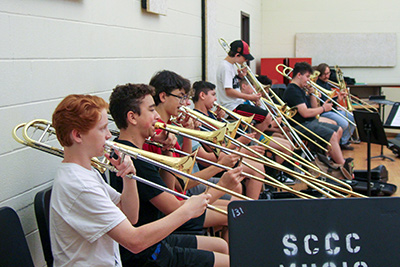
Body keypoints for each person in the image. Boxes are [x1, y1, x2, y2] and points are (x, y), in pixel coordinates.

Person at [50, 94, 225, 266]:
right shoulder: (79, 184)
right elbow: (134, 242)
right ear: (78, 135)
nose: (108, 136)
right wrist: (187, 211)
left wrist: (129, 177)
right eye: (102, 129)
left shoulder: (86, 172)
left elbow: (130, 216)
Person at [109, 83, 240, 266]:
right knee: (230, 262)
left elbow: (169, 189)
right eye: (151, 110)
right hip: (148, 253)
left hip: (156, 240)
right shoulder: (134, 158)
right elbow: (173, 207)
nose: (157, 116)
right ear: (132, 117)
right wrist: (221, 186)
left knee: (220, 246)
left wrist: (168, 151)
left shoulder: (131, 149)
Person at [282, 62, 353, 173]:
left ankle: (328, 160)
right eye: (307, 77)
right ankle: (343, 167)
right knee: (332, 135)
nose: (309, 80)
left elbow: (314, 110)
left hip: (309, 122)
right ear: (299, 75)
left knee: (338, 129)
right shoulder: (292, 90)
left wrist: (311, 94)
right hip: (299, 126)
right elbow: (305, 113)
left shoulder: (301, 89)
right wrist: (324, 108)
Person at [315, 63, 356, 150]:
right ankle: (337, 144)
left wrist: (338, 99)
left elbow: (331, 102)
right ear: (319, 74)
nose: (327, 76)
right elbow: (321, 104)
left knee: (353, 118)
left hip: (331, 109)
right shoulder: (316, 84)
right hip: (323, 112)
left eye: (328, 73)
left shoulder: (326, 84)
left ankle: (343, 142)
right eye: (325, 74)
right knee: (344, 123)